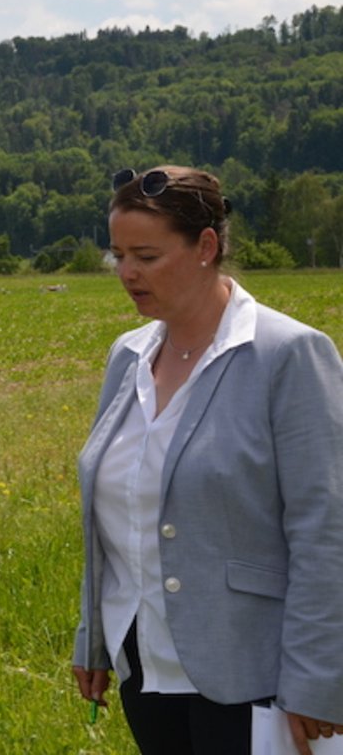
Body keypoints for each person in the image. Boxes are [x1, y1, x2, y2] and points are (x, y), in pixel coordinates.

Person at [71, 166, 343, 755]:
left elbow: (325, 529)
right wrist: (93, 638)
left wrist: (319, 676)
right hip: (143, 667)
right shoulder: (128, 356)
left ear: (206, 247)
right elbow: (112, 513)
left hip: (254, 673)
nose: (127, 273)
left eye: (145, 254)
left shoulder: (289, 354)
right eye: (116, 254)